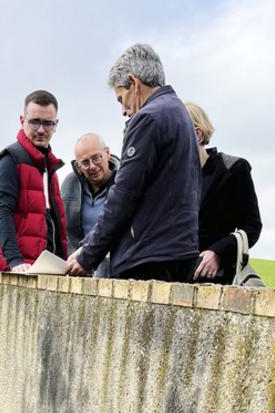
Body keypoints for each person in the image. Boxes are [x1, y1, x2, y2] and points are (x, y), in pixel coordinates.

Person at [65, 44, 200, 281]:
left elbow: (124, 193)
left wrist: (88, 255)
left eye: (121, 99)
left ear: (133, 83)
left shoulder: (148, 118)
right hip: (180, 250)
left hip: (147, 255)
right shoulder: (179, 113)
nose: (124, 111)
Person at [0, 90, 68, 272]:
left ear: (56, 125)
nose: (41, 129)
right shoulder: (10, 159)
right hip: (17, 270)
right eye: (35, 122)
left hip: (43, 269)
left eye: (48, 123)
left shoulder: (49, 166)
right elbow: (2, 212)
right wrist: (14, 261)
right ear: (22, 121)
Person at [184, 101, 262, 282]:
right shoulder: (170, 180)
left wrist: (218, 252)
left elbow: (252, 226)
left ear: (197, 133)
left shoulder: (232, 169)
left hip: (215, 279)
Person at [61, 133, 119, 278]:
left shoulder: (123, 182)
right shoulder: (70, 184)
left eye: (96, 158)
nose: (92, 166)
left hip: (112, 269)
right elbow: (65, 231)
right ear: (78, 165)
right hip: (77, 267)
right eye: (85, 162)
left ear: (107, 153)